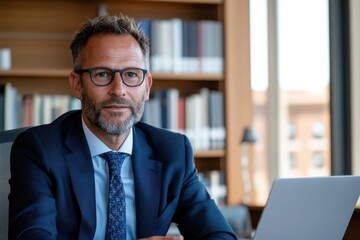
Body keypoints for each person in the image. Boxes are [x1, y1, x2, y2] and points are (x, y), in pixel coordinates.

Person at [8, 14, 237, 240]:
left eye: (131, 74)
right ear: (77, 85)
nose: (119, 89)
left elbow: (218, 234)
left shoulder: (173, 152)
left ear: (147, 87)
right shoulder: (39, 150)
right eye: (102, 74)